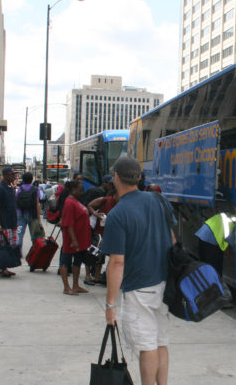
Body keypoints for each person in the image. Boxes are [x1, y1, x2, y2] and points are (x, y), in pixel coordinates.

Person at [102, 156, 175, 385]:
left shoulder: (117, 214)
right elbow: (172, 239)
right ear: (139, 178)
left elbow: (117, 263)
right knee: (161, 342)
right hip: (165, 284)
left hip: (139, 288)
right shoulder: (160, 201)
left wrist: (110, 304)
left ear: (116, 178)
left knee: (147, 346)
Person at [60, 180, 91, 296]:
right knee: (66, 260)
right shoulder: (69, 202)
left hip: (80, 239)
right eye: (80, 189)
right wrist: (73, 240)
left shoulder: (75, 201)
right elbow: (68, 224)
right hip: (72, 240)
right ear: (73, 190)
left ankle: (75, 285)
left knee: (77, 261)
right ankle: (66, 287)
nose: (81, 192)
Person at [87, 185, 119, 285]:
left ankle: (97, 276)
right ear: (114, 194)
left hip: (110, 232)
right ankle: (89, 275)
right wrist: (96, 214)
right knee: (93, 253)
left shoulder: (121, 204)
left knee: (102, 255)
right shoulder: (104, 200)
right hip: (98, 231)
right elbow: (90, 205)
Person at [0, 167, 18, 278]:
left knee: (10, 246)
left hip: (12, 222)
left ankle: (5, 268)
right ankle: (2, 269)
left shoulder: (11, 188)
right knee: (3, 247)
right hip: (4, 224)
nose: (14, 177)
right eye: (12, 175)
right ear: (6, 176)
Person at [16, 172, 43, 248]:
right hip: (32, 214)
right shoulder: (35, 189)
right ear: (31, 179)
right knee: (34, 234)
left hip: (20, 214)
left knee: (19, 233)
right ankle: (35, 252)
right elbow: (37, 204)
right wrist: (38, 218)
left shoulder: (20, 189)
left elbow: (16, 201)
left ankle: (17, 251)